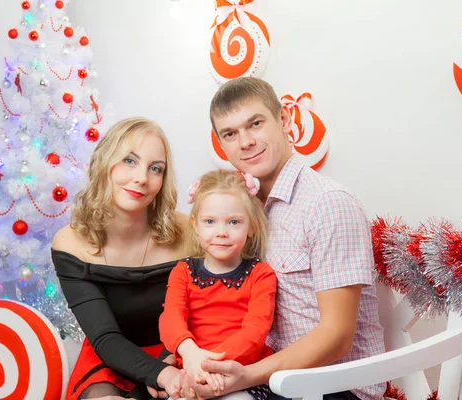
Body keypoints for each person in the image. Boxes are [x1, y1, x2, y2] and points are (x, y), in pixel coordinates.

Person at [184, 77, 385, 400]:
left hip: (335, 386)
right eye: (230, 134)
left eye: (256, 124)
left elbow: (337, 336)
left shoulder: (327, 203)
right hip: (270, 376)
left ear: (284, 120)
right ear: (222, 144)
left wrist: (245, 376)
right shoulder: (241, 213)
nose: (245, 141)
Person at [51, 117, 187, 400]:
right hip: (109, 359)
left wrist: (170, 365)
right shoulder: (70, 243)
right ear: (104, 163)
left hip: (178, 354)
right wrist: (160, 374)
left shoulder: (190, 232)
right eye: (129, 161)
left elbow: (204, 309)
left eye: (155, 169)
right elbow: (105, 338)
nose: (141, 178)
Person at [159, 170, 277, 400]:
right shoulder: (182, 271)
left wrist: (210, 366)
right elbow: (171, 319)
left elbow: (255, 332)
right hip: (191, 372)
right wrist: (192, 356)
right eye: (210, 222)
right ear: (195, 224)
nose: (221, 232)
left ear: (251, 226)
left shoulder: (260, 274)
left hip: (240, 375)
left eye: (234, 222)